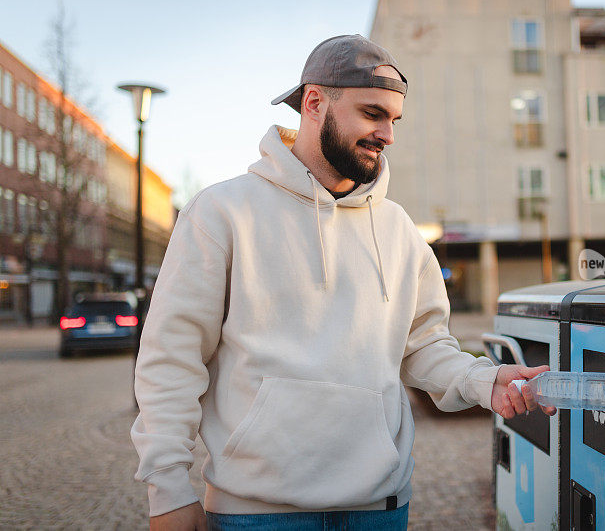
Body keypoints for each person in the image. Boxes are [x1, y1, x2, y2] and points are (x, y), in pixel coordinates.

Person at [131, 34, 555, 531]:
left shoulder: (399, 230)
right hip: (255, 515)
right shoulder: (222, 213)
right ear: (314, 103)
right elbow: (171, 360)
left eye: (394, 119)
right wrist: (169, 491)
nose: (388, 134)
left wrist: (485, 378)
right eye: (372, 113)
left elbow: (423, 348)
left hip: (380, 510)